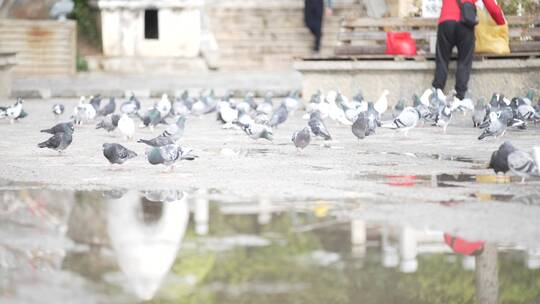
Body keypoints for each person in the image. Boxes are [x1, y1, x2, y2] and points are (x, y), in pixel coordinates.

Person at [432, 0, 505, 101]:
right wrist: (501, 23)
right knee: (464, 61)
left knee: (442, 59)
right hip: (465, 24)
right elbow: (492, 8)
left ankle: (436, 92)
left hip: (446, 22)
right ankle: (459, 96)